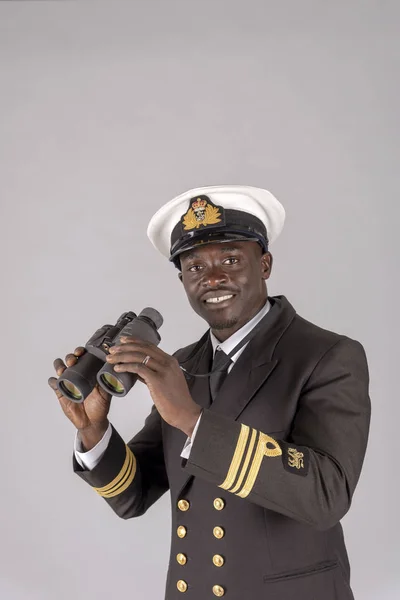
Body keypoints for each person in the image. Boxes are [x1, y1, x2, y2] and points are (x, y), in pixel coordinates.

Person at [48, 185, 371, 600]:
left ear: (266, 264)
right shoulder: (183, 363)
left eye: (231, 260)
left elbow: (328, 495)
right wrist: (93, 429)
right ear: (183, 279)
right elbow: (134, 493)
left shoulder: (326, 355)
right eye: (195, 267)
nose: (213, 278)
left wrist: (191, 418)